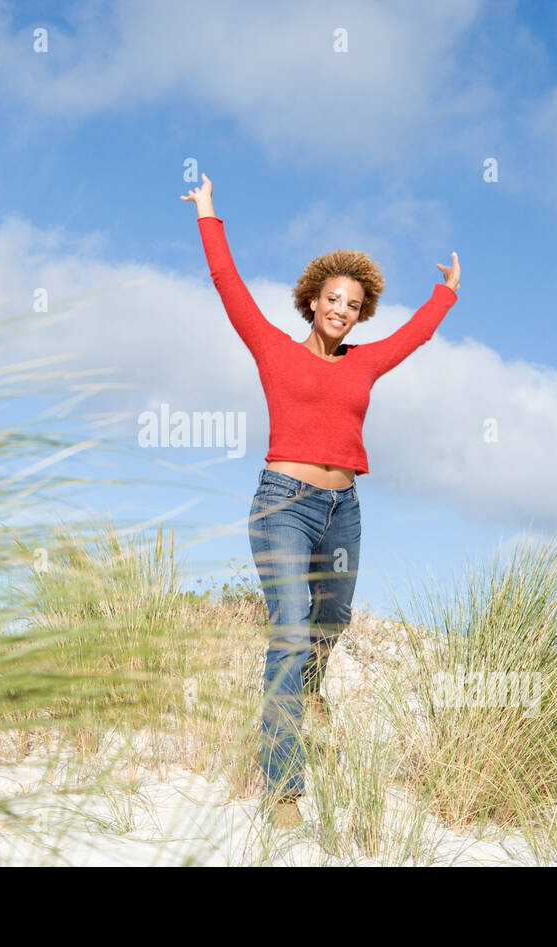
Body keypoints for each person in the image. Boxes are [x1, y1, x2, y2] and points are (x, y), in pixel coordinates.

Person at [180, 174, 461, 832]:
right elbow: (229, 286)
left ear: (361, 313)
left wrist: (445, 295)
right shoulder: (272, 348)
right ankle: (283, 791)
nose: (340, 308)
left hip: (345, 509)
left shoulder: (364, 362)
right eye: (331, 298)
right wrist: (209, 213)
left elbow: (414, 337)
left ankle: (308, 694)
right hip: (283, 502)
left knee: (329, 624)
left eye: (353, 302)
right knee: (290, 632)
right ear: (312, 301)